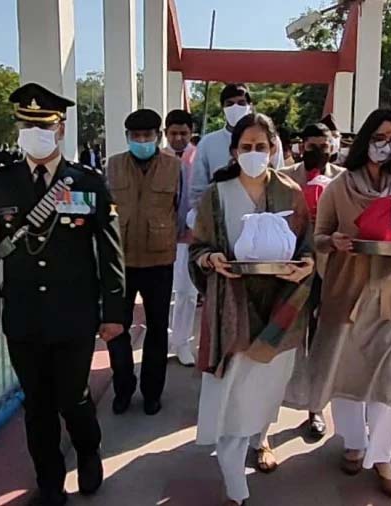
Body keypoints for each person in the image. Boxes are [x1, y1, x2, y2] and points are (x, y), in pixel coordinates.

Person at [0, 82, 125, 506]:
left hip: (74, 313)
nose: (35, 133)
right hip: (23, 315)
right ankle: (50, 482)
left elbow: (110, 252)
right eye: (27, 126)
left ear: (60, 128)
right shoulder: (0, 183)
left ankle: (88, 449)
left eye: (44, 125)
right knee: (37, 405)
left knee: (73, 397)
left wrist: (114, 311)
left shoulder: (87, 182)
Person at [306, 109, 391, 500]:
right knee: (349, 373)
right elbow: (319, 236)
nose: (385, 144)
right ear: (366, 139)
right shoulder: (339, 187)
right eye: (379, 136)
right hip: (348, 291)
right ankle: (354, 443)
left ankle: (382, 457)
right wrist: (334, 243)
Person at [189, 113, 314, 506]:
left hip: (280, 306)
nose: (254, 153)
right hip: (232, 306)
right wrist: (210, 260)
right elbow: (198, 248)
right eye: (246, 147)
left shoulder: (291, 193)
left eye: (261, 146)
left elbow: (307, 247)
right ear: (233, 151)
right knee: (231, 398)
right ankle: (235, 486)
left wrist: (307, 264)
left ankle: (259, 439)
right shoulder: (217, 195)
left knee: (264, 390)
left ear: (274, 149)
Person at [106, 108, 181, 416]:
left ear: (157, 136)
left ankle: (152, 392)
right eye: (135, 136)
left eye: (147, 136)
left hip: (159, 260)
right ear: (127, 137)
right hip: (120, 261)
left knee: (157, 329)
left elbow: (181, 206)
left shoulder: (174, 166)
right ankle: (123, 388)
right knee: (116, 329)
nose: (141, 141)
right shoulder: (113, 165)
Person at [280, 122, 344, 440]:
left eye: (323, 145)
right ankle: (276, 399)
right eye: (311, 145)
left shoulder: (342, 179)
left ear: (332, 147)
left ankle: (315, 408)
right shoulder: (284, 177)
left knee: (320, 340)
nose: (317, 150)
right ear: (301, 147)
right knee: (285, 337)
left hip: (328, 270)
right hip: (291, 268)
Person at [190, 83, 285, 210]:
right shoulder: (208, 143)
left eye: (241, 103)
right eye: (230, 104)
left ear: (250, 106)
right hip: (222, 211)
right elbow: (198, 189)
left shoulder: (269, 140)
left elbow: (279, 177)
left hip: (264, 211)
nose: (235, 108)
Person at [162, 109, 198, 366]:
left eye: (183, 133)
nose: (178, 138)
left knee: (187, 291)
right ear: (165, 133)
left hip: (190, 235)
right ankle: (164, 338)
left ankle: (183, 342)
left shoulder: (199, 157)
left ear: (191, 132)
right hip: (160, 236)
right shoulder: (158, 158)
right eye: (173, 133)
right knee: (163, 292)